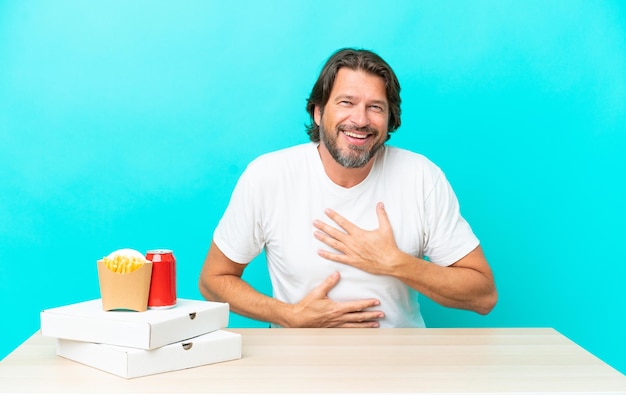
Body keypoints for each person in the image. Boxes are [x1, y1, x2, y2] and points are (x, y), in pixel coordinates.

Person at [199, 48, 497, 328]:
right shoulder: (268, 176)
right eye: (346, 102)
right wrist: (289, 316)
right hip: (299, 368)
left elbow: (483, 296)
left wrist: (395, 262)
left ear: (390, 119)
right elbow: (213, 280)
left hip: (400, 367)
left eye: (375, 107)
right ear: (317, 112)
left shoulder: (420, 176)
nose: (360, 119)